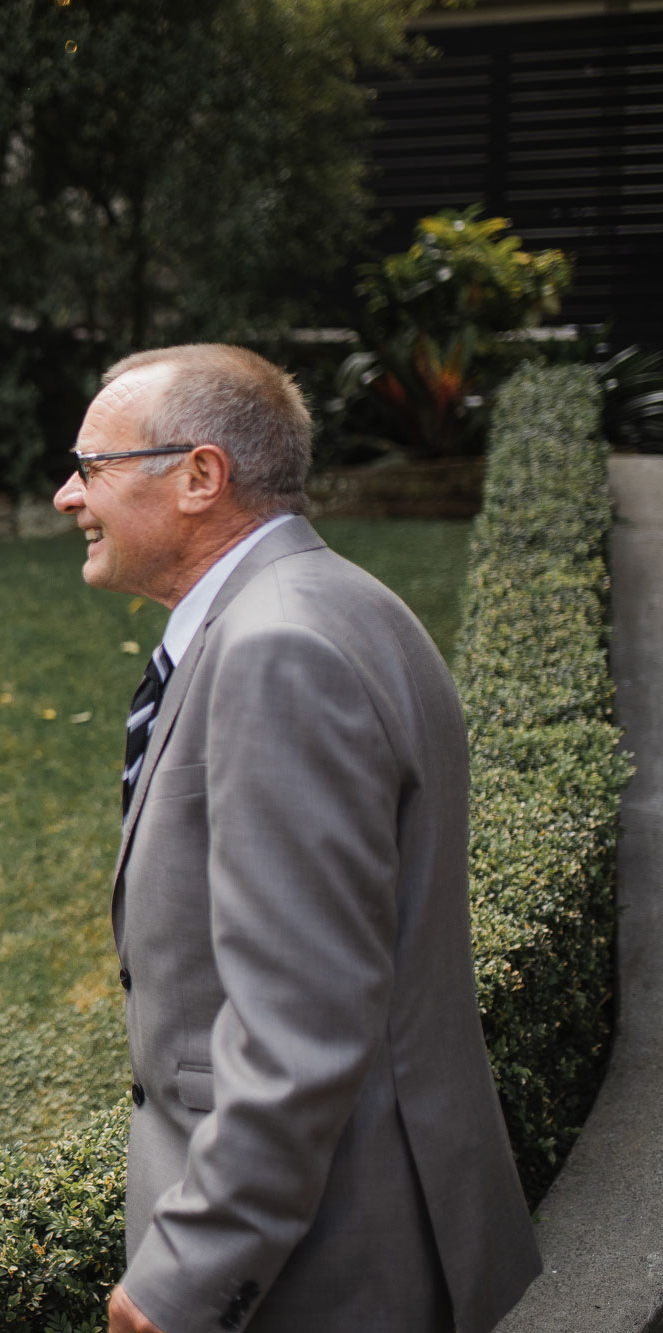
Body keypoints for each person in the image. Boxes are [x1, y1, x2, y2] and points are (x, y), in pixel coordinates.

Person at [52, 344, 540, 1333]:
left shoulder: (274, 650)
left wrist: (186, 1273)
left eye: (90, 467)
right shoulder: (334, 600)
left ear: (199, 476)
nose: (67, 496)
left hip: (333, 1257)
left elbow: (299, 1022)